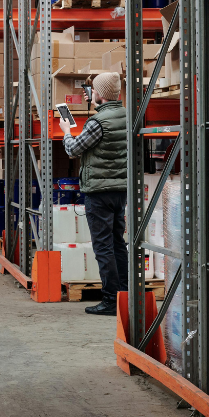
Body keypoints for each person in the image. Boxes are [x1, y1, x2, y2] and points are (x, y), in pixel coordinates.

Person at [58, 71, 129, 316]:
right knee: (118, 243)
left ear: (99, 94)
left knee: (103, 246)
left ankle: (110, 300)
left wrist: (66, 130)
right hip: (120, 191)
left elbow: (73, 150)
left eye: (94, 90)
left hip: (99, 192)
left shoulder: (98, 123)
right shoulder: (127, 116)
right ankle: (125, 294)